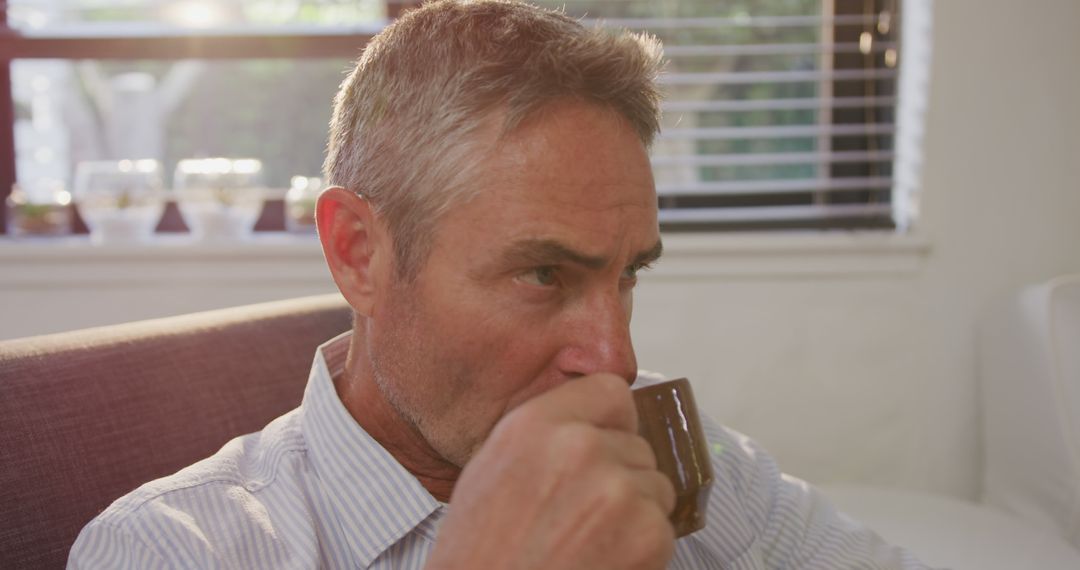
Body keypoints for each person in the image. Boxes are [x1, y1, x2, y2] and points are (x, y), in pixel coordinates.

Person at [69, 1, 926, 568]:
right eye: (544, 273)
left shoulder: (689, 465)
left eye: (627, 275)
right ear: (358, 253)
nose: (616, 360)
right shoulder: (170, 548)